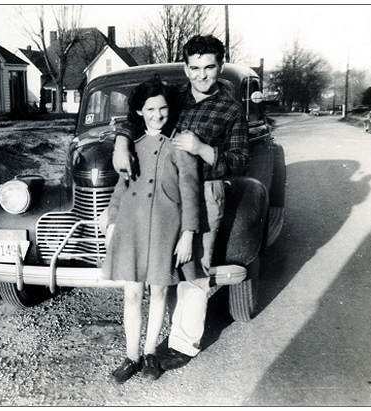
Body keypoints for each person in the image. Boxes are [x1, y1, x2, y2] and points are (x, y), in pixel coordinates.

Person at [112, 34, 249, 371]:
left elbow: (241, 160)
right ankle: (151, 343)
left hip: (207, 189)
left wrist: (203, 149)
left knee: (194, 267)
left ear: (219, 66)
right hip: (166, 189)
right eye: (195, 68)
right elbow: (140, 113)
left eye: (210, 67)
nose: (202, 75)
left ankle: (183, 343)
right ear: (186, 69)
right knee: (165, 266)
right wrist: (120, 141)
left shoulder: (231, 108)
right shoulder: (175, 98)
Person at [103, 76, 202, 384]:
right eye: (149, 109)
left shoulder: (181, 146)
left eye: (162, 108)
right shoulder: (131, 146)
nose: (157, 115)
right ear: (139, 113)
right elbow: (122, 186)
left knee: (158, 291)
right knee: (132, 294)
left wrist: (188, 233)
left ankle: (149, 354)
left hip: (164, 230)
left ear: (169, 110)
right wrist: (111, 220)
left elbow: (191, 192)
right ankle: (131, 356)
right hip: (131, 229)